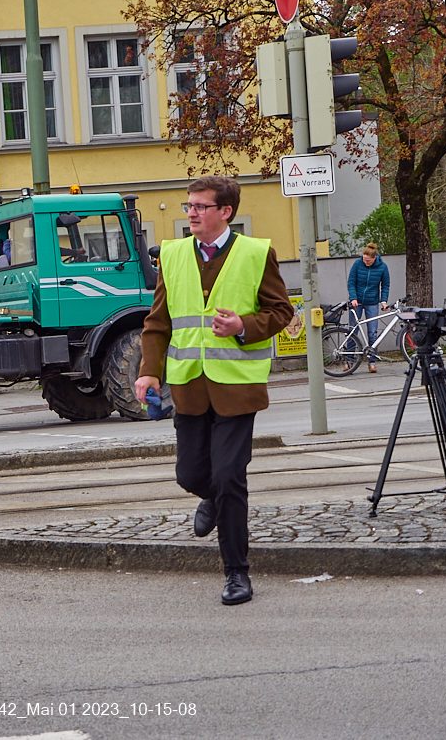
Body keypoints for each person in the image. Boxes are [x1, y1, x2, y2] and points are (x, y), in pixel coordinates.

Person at [134, 176, 294, 606]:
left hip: (237, 387)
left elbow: (281, 311)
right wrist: (149, 371)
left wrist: (244, 326)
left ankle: (237, 573)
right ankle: (209, 499)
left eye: (201, 206)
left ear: (226, 211)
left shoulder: (256, 253)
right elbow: (158, 323)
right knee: (191, 475)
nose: (192, 213)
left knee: (229, 477)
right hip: (188, 385)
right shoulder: (172, 255)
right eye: (189, 206)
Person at [346, 243, 390, 373]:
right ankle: (349, 361)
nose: (366, 262)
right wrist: (353, 298)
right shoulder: (357, 264)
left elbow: (385, 285)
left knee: (372, 333)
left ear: (375, 257)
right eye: (364, 259)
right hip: (357, 302)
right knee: (352, 331)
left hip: (372, 302)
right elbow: (351, 282)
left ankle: (372, 362)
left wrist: (383, 301)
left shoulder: (382, 267)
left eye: (368, 260)